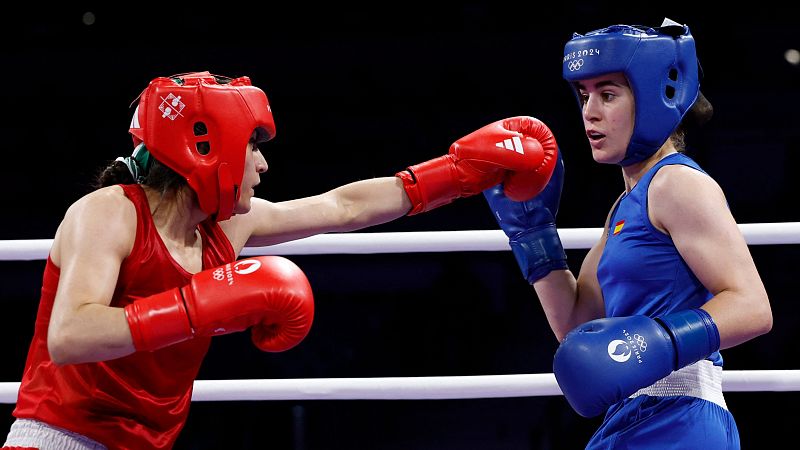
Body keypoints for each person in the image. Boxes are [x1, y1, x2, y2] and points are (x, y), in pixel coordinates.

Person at [2, 71, 558, 450]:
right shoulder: (110, 212)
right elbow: (70, 333)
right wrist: (195, 306)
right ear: (206, 148)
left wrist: (457, 172)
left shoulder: (226, 227)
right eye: (252, 147)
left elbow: (341, 207)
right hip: (60, 438)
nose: (262, 165)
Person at [484, 19, 772, 449]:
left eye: (608, 94)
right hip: (631, 417)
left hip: (681, 418)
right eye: (584, 95)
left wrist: (658, 342)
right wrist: (534, 236)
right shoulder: (625, 205)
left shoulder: (676, 183)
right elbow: (578, 325)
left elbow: (753, 307)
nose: (590, 111)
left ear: (658, 97)